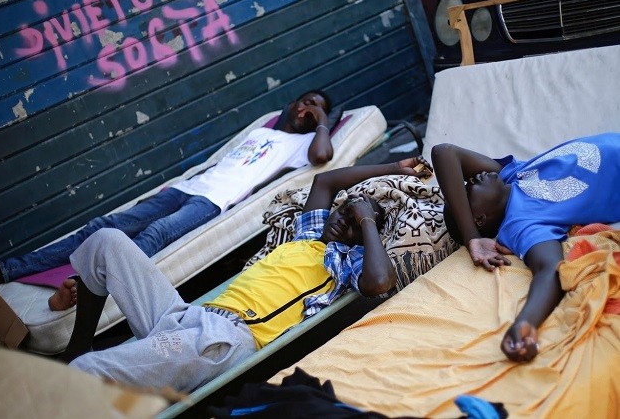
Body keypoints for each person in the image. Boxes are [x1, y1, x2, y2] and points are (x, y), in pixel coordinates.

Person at [58, 157, 430, 392]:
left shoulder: (346, 263)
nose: (340, 224)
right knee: (107, 241)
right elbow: (326, 182)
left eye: (352, 225)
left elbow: (379, 282)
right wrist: (393, 168)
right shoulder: (309, 235)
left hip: (224, 340)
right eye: (343, 213)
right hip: (187, 315)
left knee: (83, 372)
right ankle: (79, 342)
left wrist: (366, 220)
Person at [0, 90, 335, 311]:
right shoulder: (263, 130)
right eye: (305, 101)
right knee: (103, 226)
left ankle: (77, 292)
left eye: (316, 108)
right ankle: (5, 270)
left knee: (153, 235)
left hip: (212, 202)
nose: (308, 109)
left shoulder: (301, 147)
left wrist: (322, 121)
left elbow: (323, 157)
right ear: (291, 105)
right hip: (186, 189)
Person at [431, 132, 620, 363]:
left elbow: (444, 152)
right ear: (479, 218)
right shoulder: (522, 224)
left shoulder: (511, 176)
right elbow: (548, 269)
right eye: (468, 190)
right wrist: (526, 322)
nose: (470, 179)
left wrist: (471, 234)